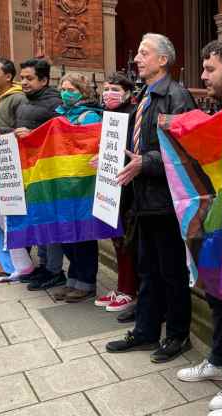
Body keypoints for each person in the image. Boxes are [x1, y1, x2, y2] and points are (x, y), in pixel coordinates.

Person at [105, 33, 197, 365]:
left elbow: (183, 151)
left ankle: (177, 335)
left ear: (163, 60)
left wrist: (147, 162)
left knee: (171, 272)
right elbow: (135, 144)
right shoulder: (144, 95)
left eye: (145, 53)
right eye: (138, 53)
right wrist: (110, 159)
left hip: (167, 202)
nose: (137, 59)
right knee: (147, 269)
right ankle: (145, 330)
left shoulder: (177, 96)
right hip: (143, 199)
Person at [175, 39, 222, 412]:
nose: (203, 77)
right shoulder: (215, 111)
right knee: (217, 297)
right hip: (215, 220)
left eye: (209, 70)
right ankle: (218, 360)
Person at [10, 58, 70, 291]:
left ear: (44, 80)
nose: (23, 82)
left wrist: (34, 133)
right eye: (22, 78)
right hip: (29, 172)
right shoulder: (25, 101)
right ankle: (44, 266)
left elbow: (62, 137)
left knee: (49, 222)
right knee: (38, 221)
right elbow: (20, 131)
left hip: (48, 175)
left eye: (29, 78)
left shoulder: (55, 104)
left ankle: (55, 270)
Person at [47, 72, 103, 302]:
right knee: (67, 235)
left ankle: (86, 282)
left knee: (83, 236)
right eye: (63, 88)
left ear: (83, 91)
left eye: (72, 89)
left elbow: (88, 148)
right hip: (63, 183)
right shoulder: (61, 114)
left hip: (82, 184)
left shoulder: (90, 116)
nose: (66, 93)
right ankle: (73, 278)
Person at [0, 58, 35, 281]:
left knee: (7, 211)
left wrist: (2, 133)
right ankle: (21, 261)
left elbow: (22, 130)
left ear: (8, 76)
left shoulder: (17, 98)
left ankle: (23, 263)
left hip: (12, 164)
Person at [92, 72, 139, 318]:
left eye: (115, 89)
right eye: (106, 88)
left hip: (128, 187)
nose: (109, 92)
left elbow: (132, 148)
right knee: (117, 239)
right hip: (112, 186)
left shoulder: (133, 114)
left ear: (129, 93)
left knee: (127, 241)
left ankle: (129, 290)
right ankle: (121, 287)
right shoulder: (110, 115)